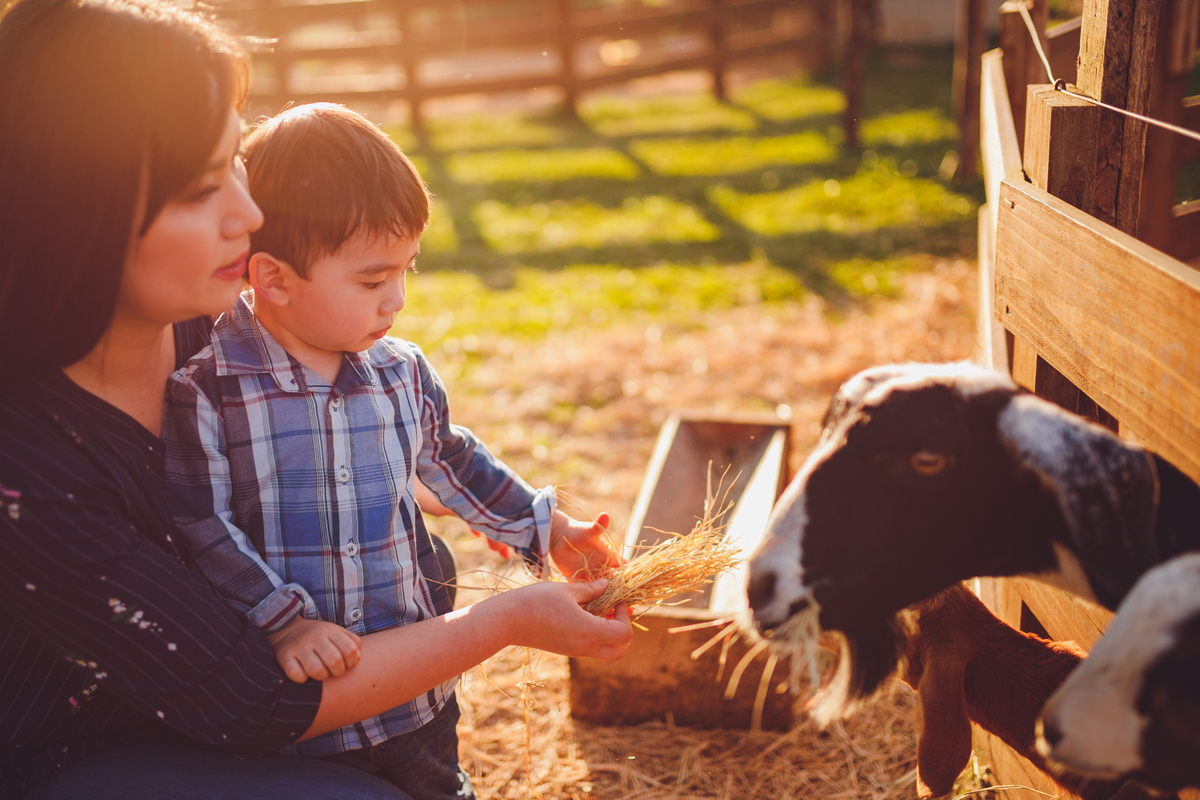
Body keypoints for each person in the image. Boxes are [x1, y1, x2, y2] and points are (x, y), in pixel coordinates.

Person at [0, 1, 632, 798]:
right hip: (92, 755)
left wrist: (451, 496)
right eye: (201, 189)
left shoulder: (240, 329)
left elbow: (396, 446)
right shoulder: (24, 466)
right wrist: (502, 622)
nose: (251, 214)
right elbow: (258, 703)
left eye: (238, 162)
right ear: (75, 211)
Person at [160, 102, 621, 800]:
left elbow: (452, 460)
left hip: (415, 700)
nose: (397, 300)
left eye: (407, 271)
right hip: (303, 712)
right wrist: (284, 622)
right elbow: (202, 526)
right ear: (275, 279)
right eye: (373, 281)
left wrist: (544, 527)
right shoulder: (211, 388)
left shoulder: (401, 370)